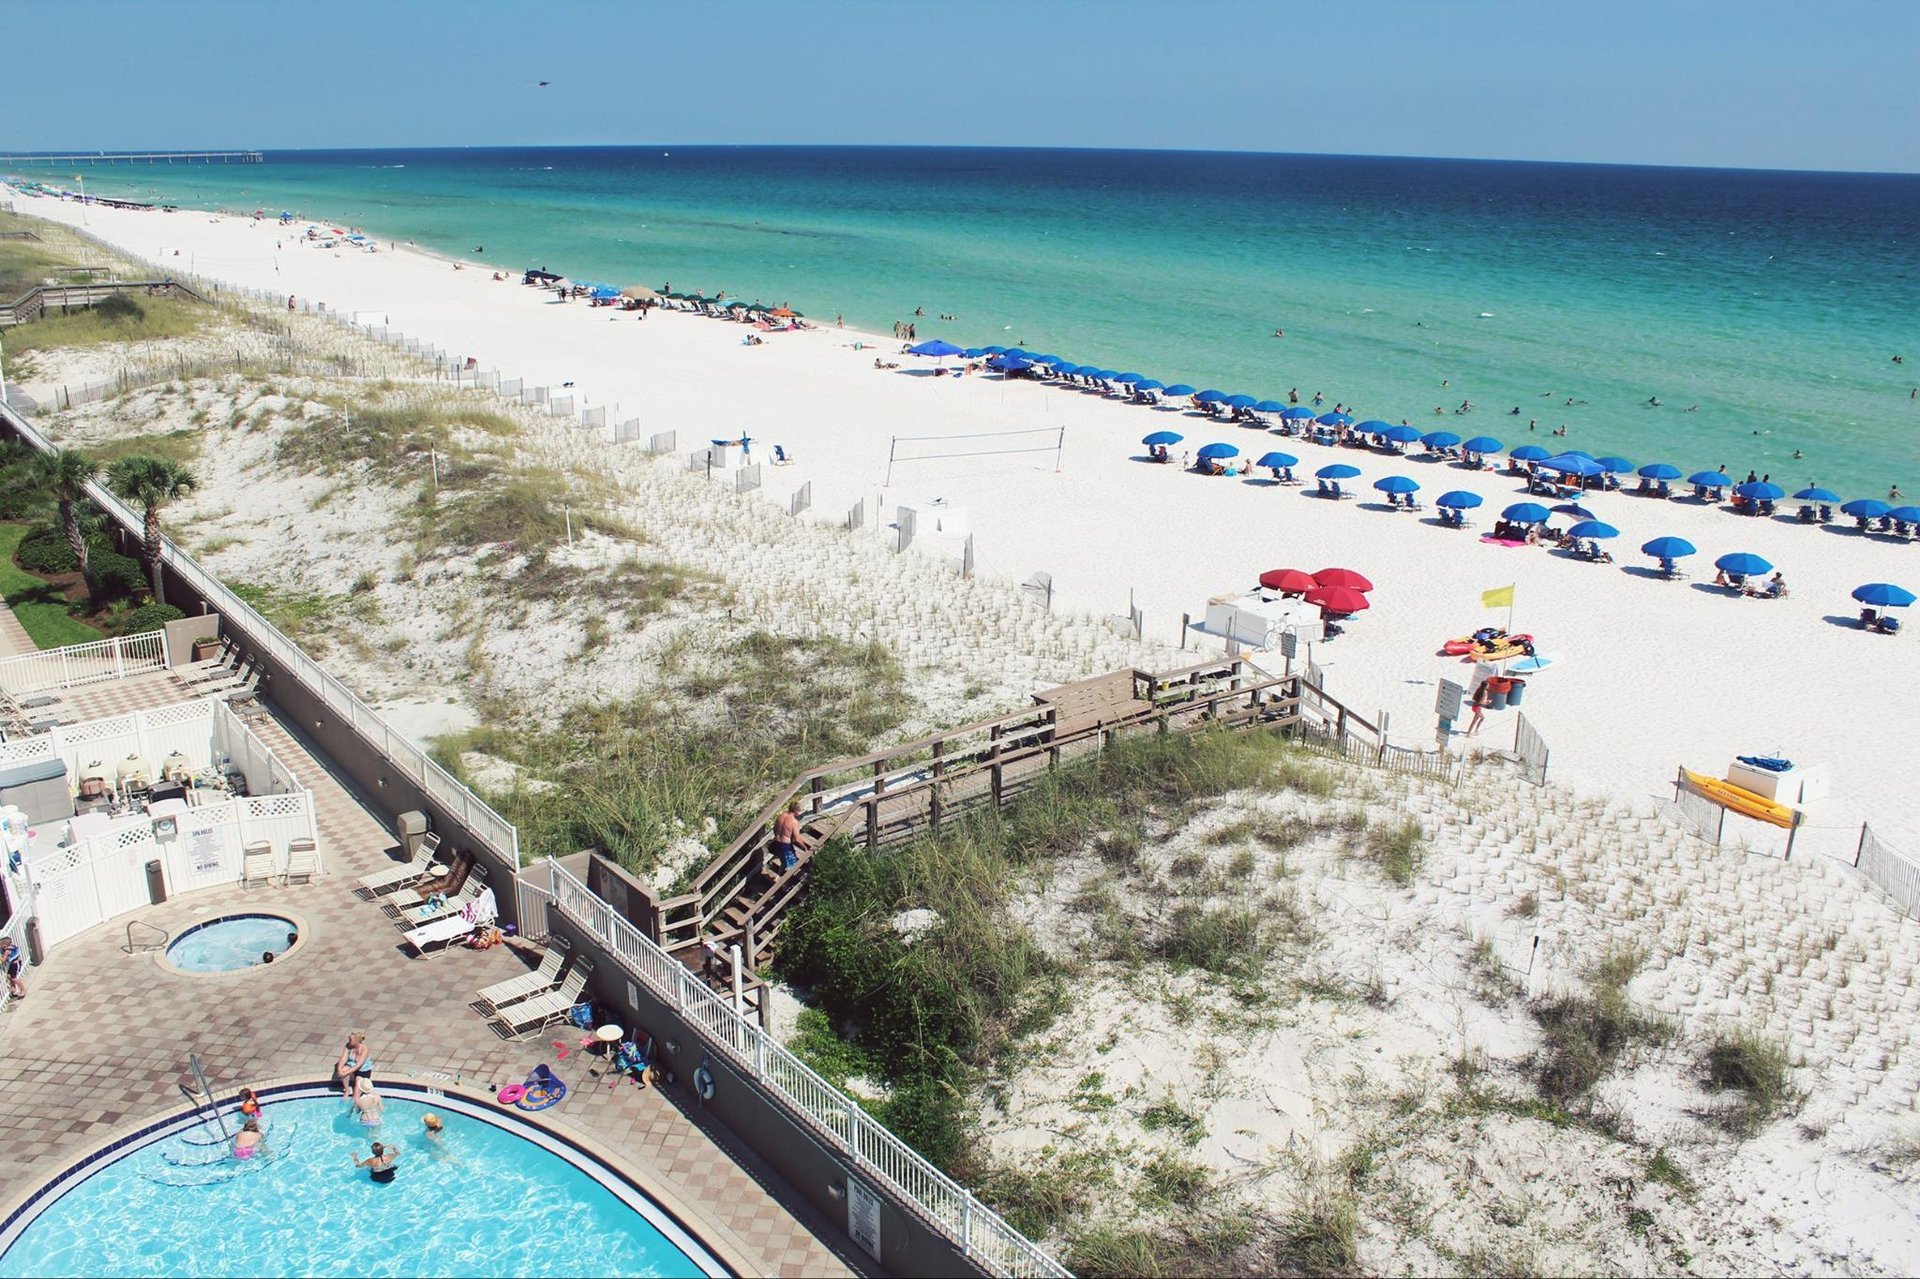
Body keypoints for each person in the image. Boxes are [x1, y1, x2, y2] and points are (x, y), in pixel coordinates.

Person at [770, 799, 808, 872]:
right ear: (796, 811)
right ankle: (784, 882)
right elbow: (797, 839)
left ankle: (777, 878)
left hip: (776, 843)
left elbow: (775, 828)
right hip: (785, 847)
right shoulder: (794, 822)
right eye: (800, 811)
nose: (800, 813)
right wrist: (804, 847)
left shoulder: (781, 815)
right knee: (792, 866)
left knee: (784, 862)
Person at [336, 1031, 374, 1100]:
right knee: (342, 1070)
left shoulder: (364, 1049)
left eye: (351, 1040)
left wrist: (344, 1074)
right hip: (352, 1068)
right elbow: (343, 1058)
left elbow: (358, 1065)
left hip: (362, 1071)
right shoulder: (348, 1046)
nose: (349, 1041)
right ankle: (347, 1090)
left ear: (357, 1041)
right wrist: (339, 1070)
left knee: (356, 1095)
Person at [2, 936, 23, 1000]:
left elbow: (3, 960)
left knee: (14, 978)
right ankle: (14, 990)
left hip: (15, 965)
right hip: (12, 964)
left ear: (4, 945)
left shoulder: (7, 951)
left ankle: (23, 989)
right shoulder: (13, 947)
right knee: (9, 976)